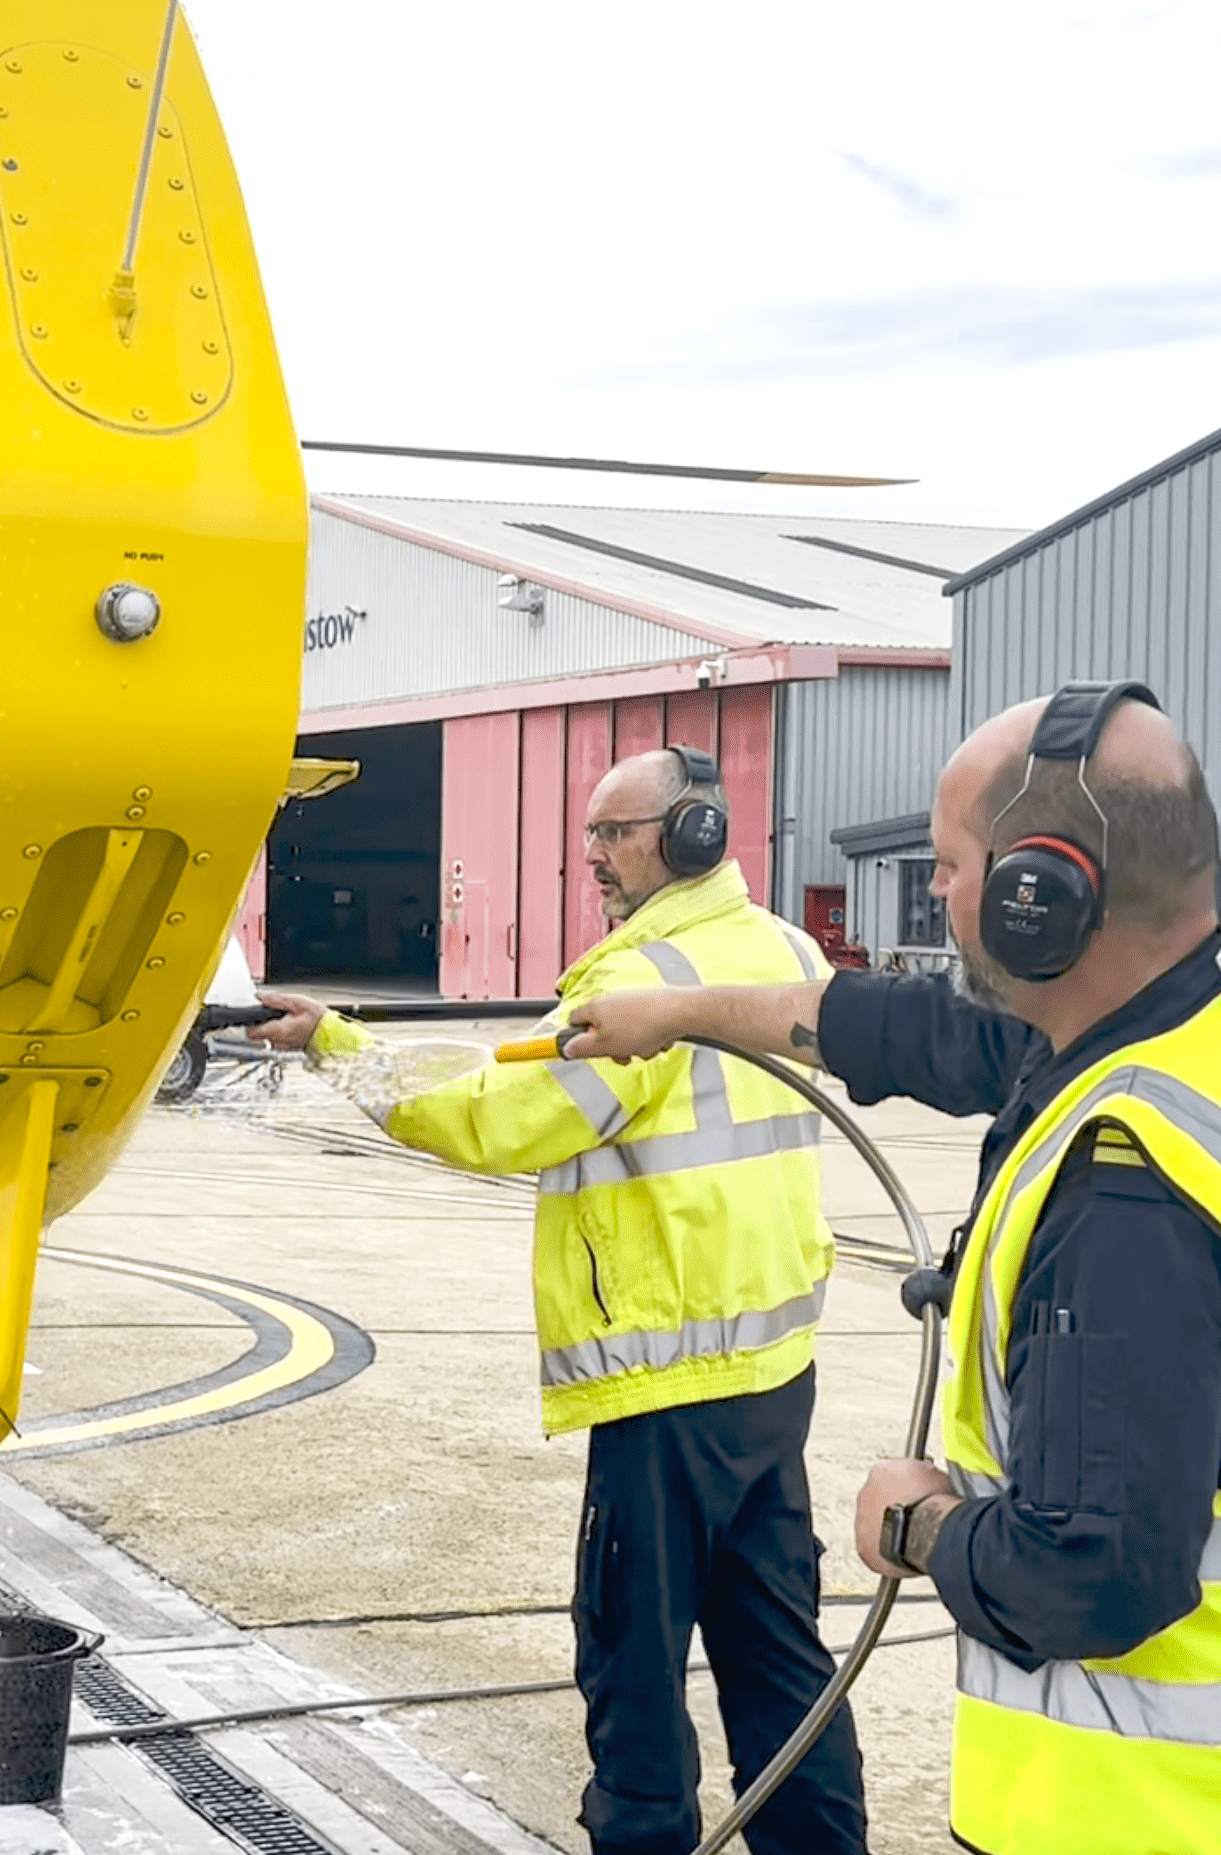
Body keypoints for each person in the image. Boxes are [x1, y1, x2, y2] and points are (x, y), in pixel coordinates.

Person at [564, 682, 1221, 1855]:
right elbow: (916, 1033)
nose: (936, 893)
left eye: (949, 866)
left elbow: (1089, 1579)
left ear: (1037, 898)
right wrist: (681, 1009)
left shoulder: (1128, 1198)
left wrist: (919, 1526)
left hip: (1160, 1812)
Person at [257, 745, 867, 1855]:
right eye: (586, 833)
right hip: (772, 1367)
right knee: (777, 1651)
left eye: (613, 832)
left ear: (688, 834)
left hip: (664, 1378)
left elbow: (498, 1114)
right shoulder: (777, 948)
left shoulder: (639, 982)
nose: (590, 855)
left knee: (629, 1650)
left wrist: (336, 1047)